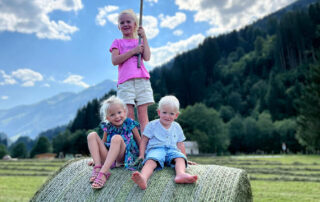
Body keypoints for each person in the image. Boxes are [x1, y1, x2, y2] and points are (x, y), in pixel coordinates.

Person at [131, 95, 198, 190]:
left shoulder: (177, 127)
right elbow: (144, 141)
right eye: (164, 112)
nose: (167, 116)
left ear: (176, 115)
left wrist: (185, 158)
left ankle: (180, 174)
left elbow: (180, 144)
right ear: (159, 112)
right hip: (156, 149)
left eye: (171, 113)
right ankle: (143, 178)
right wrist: (141, 155)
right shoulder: (152, 125)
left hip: (172, 150)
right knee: (151, 161)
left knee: (179, 158)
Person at [110, 9, 154, 133]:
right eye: (122, 22)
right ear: (119, 27)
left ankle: (145, 145)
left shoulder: (139, 41)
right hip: (125, 82)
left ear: (135, 24)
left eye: (128, 21)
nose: (125, 24)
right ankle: (134, 143)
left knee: (143, 115)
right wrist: (133, 51)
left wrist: (144, 36)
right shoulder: (117, 42)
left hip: (142, 80)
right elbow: (115, 60)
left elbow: (147, 57)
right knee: (128, 116)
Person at [87, 95, 141, 189]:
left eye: (119, 112)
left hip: (122, 158)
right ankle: (98, 167)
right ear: (107, 118)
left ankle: (103, 173)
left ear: (124, 112)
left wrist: (143, 156)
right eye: (112, 115)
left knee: (116, 138)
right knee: (91, 135)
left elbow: (139, 141)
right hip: (109, 158)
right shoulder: (108, 127)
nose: (117, 116)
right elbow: (102, 143)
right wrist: (96, 160)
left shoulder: (130, 123)